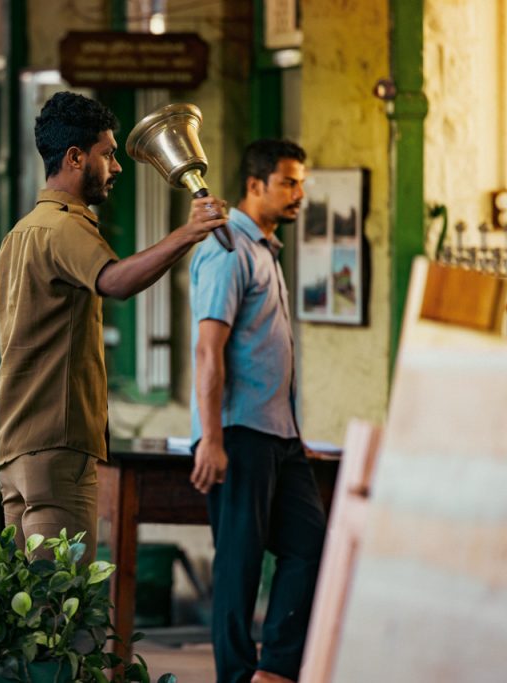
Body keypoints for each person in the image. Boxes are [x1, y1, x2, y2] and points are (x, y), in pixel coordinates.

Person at [0, 91, 228, 563]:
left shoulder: (20, 233)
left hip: (16, 446)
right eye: (108, 154)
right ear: (75, 158)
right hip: (58, 445)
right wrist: (188, 233)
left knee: (26, 607)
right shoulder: (65, 227)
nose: (117, 167)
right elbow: (115, 281)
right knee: (60, 602)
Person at [189, 139, 327, 683]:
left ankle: (275, 671)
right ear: (256, 185)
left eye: (301, 184)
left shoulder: (266, 249)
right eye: (289, 183)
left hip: (280, 435)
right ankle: (235, 674)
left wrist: (294, 429)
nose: (299, 194)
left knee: (311, 547)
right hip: (238, 430)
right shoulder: (227, 250)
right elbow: (209, 349)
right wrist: (213, 438)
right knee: (239, 564)